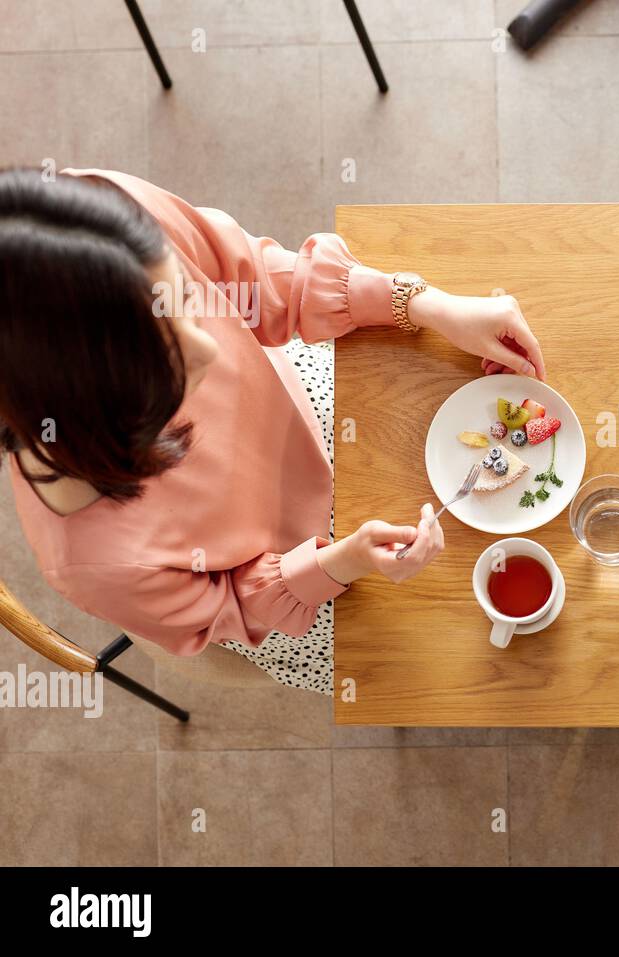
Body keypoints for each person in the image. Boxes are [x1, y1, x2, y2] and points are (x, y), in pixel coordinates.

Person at [0, 168, 546, 694]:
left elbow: (250, 281)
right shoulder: (96, 561)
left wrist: (426, 304)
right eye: (162, 358)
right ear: (89, 404)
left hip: (297, 400)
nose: (210, 346)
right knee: (436, 658)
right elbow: (234, 608)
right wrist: (345, 561)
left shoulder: (97, 216)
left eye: (186, 302)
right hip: (293, 581)